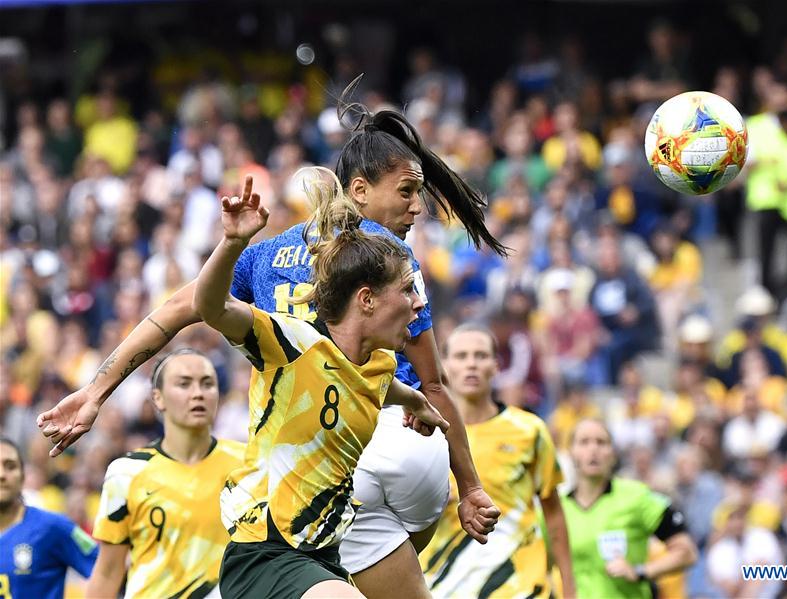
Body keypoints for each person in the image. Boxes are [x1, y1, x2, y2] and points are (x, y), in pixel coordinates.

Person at [38, 95, 503, 596]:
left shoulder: (283, 274)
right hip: (351, 485)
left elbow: (181, 308)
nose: (417, 207)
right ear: (364, 297)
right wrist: (469, 483)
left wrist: (96, 390)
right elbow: (430, 383)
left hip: (336, 484)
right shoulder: (383, 265)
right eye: (408, 191)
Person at [195, 181, 448, 598]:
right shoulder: (291, 344)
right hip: (266, 551)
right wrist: (230, 244)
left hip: (324, 555)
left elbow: (383, 388)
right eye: (407, 290)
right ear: (366, 300)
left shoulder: (380, 363)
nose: (418, 304)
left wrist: (418, 403)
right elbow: (211, 307)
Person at [419, 323, 576, 599]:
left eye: (480, 356)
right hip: (445, 586)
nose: (471, 365)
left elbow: (553, 513)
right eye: (461, 356)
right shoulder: (423, 430)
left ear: (496, 365)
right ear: (444, 365)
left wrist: (569, 589)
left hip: (520, 586)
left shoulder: (530, 430)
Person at [85, 349, 245, 598]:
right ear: (157, 398)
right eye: (184, 384)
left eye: (207, 384)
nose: (198, 393)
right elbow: (108, 572)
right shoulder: (127, 472)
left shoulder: (246, 464)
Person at [561, 419, 697, 598]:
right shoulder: (557, 509)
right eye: (584, 442)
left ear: (613, 453)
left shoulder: (636, 497)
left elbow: (687, 552)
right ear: (571, 453)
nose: (593, 449)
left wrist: (641, 571)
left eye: (601, 442)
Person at [0, 437, 98, 599]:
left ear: (23, 476)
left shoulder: (53, 527)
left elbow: (107, 571)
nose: (2, 474)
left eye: (10, 466)